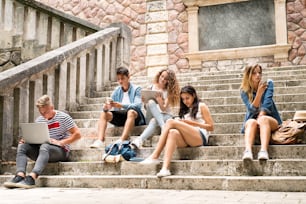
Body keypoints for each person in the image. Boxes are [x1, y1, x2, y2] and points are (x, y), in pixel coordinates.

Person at [3, 95, 81, 189]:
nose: (43, 115)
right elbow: (37, 138)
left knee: (45, 146)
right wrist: (27, 139)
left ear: (51, 108)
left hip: (60, 151)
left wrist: (62, 142)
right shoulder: (39, 120)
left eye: (45, 112)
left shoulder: (63, 117)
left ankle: (32, 178)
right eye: (41, 112)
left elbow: (77, 134)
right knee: (22, 146)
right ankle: (20, 175)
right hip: (43, 151)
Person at [140, 85, 214, 177]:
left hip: (199, 136)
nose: (185, 101)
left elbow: (211, 127)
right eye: (183, 99)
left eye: (187, 98)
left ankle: (155, 155)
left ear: (194, 95)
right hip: (187, 138)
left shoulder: (201, 106)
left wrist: (192, 123)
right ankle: (165, 169)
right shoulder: (184, 110)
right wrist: (184, 123)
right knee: (172, 132)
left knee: (170, 121)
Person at [90, 66, 145, 148]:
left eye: (122, 78)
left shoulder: (137, 89)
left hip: (135, 116)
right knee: (103, 114)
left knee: (131, 111)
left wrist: (121, 105)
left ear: (128, 77)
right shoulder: (117, 91)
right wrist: (106, 107)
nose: (120, 81)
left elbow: (137, 105)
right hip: (121, 117)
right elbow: (109, 105)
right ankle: (100, 140)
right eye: (118, 79)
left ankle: (122, 139)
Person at [240, 64, 282, 161]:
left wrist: (260, 117)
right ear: (248, 75)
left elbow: (267, 104)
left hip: (270, 121)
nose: (258, 75)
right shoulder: (244, 91)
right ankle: (248, 151)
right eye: (254, 73)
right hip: (254, 123)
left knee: (263, 119)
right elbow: (251, 109)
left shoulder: (268, 84)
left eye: (259, 72)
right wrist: (259, 93)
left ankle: (263, 151)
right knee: (250, 122)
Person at [131, 69, 180, 148]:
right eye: (162, 76)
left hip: (165, 116)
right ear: (159, 75)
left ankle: (139, 140)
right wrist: (144, 102)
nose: (163, 79)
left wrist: (160, 101)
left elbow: (164, 109)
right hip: (152, 115)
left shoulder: (168, 92)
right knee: (150, 102)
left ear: (169, 81)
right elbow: (147, 108)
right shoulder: (151, 87)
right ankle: (163, 127)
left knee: (154, 120)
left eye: (166, 79)